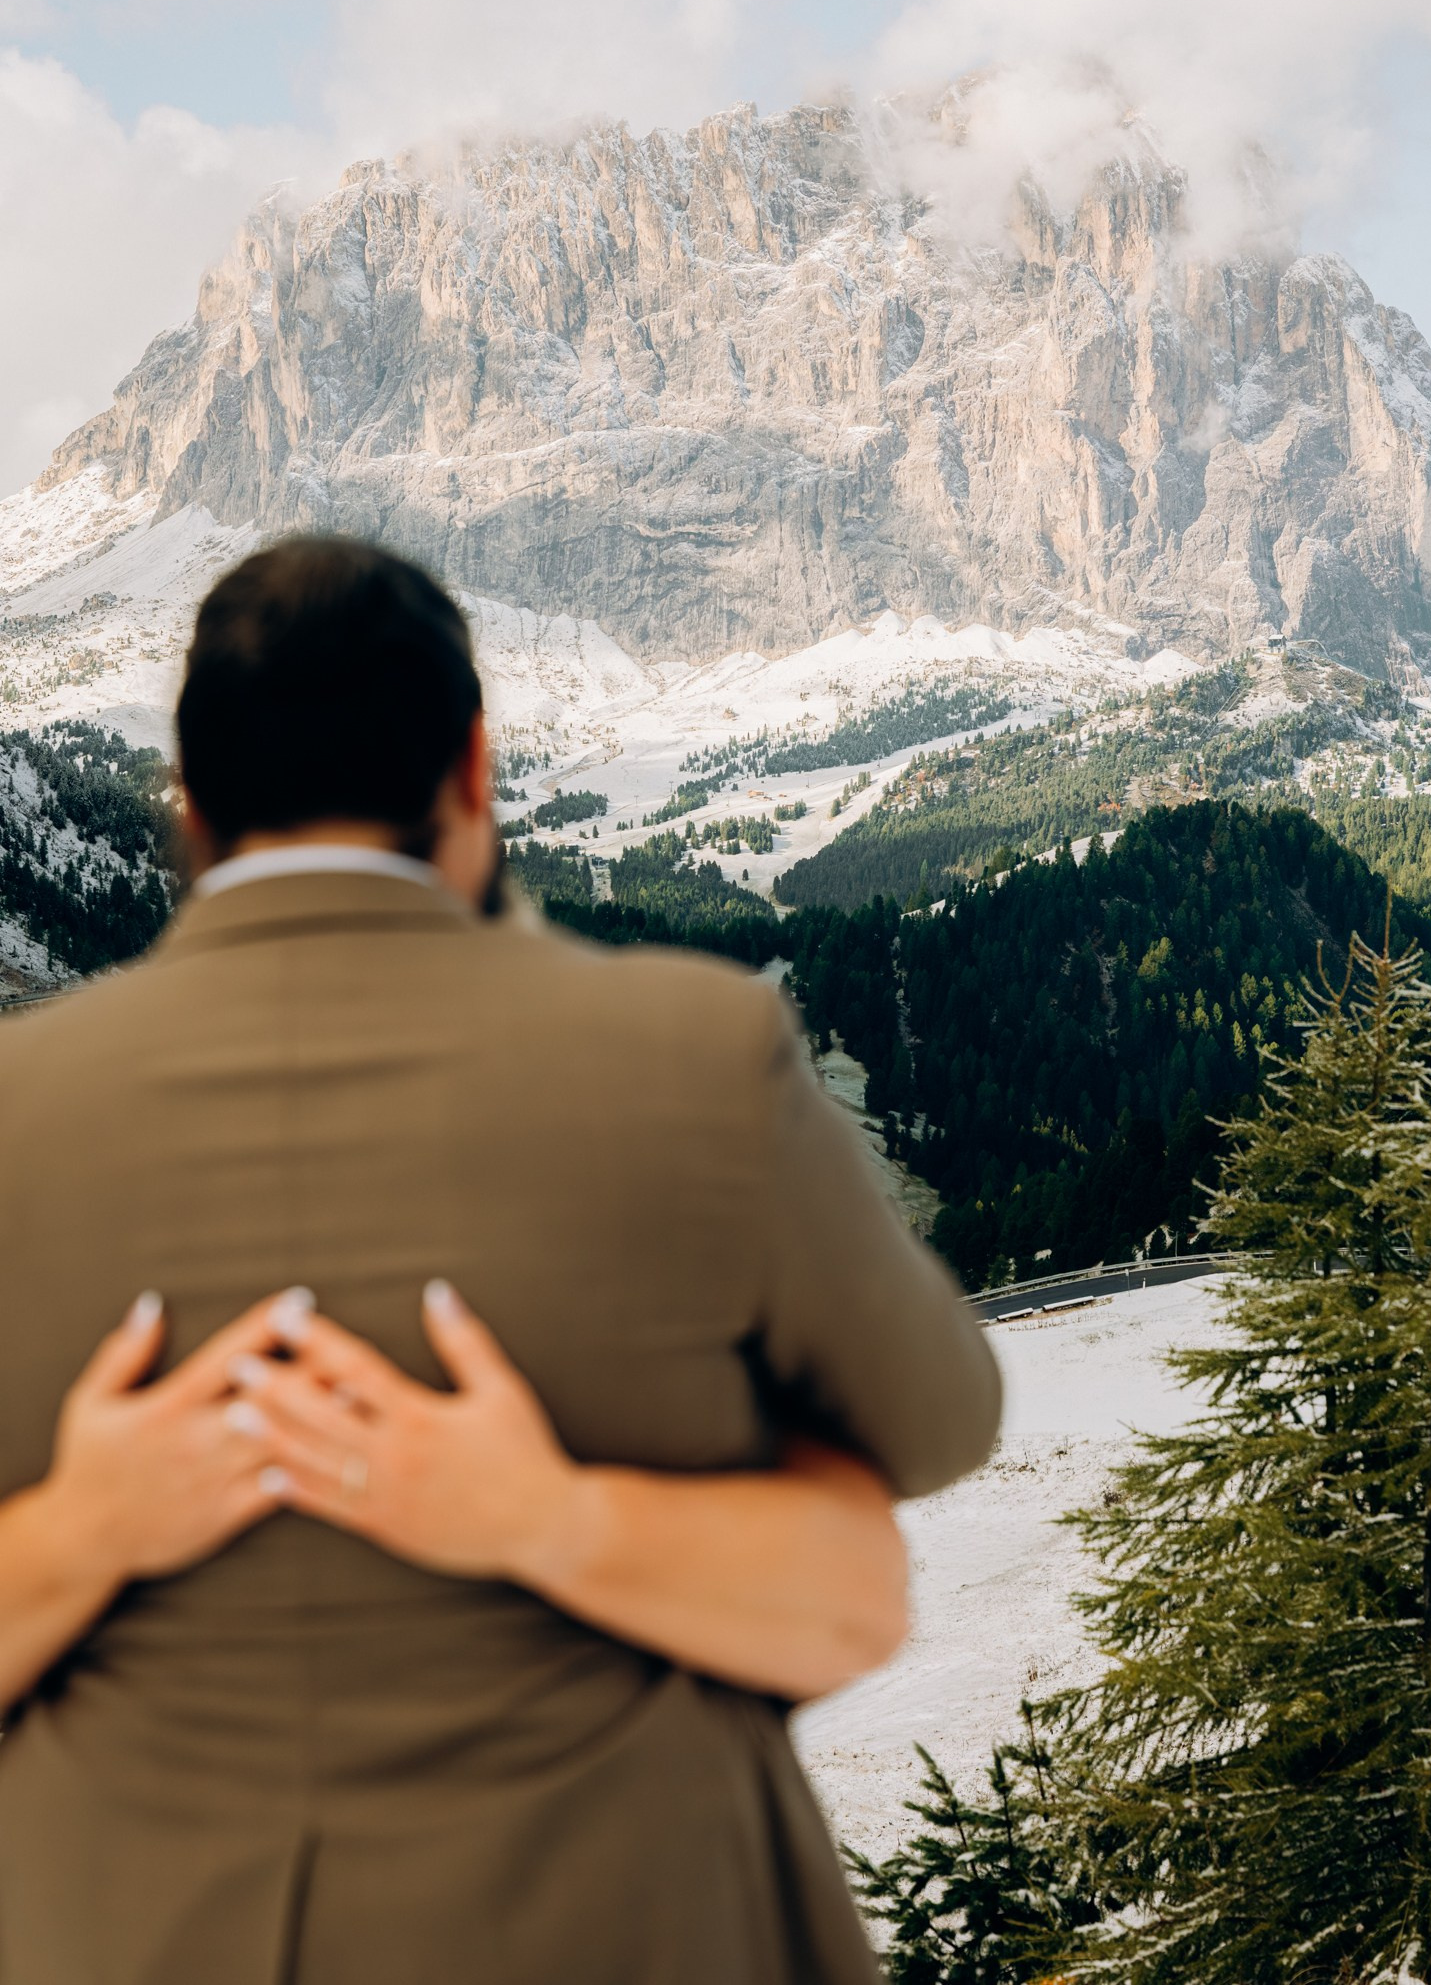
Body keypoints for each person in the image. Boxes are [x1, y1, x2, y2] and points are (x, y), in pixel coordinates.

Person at [0, 538, 1002, 1985]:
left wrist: (82, 1529)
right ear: (472, 770)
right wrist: (552, 1518)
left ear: (191, 800)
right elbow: (943, 1421)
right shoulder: (694, 1054)